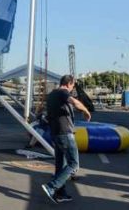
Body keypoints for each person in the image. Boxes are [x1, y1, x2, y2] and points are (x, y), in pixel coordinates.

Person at [41, 75, 91, 204]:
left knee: (60, 165)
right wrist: (86, 111)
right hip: (65, 133)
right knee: (74, 164)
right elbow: (74, 102)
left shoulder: (52, 94)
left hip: (56, 133)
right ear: (68, 83)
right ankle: (51, 187)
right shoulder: (62, 92)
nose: (73, 88)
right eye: (73, 85)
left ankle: (60, 193)